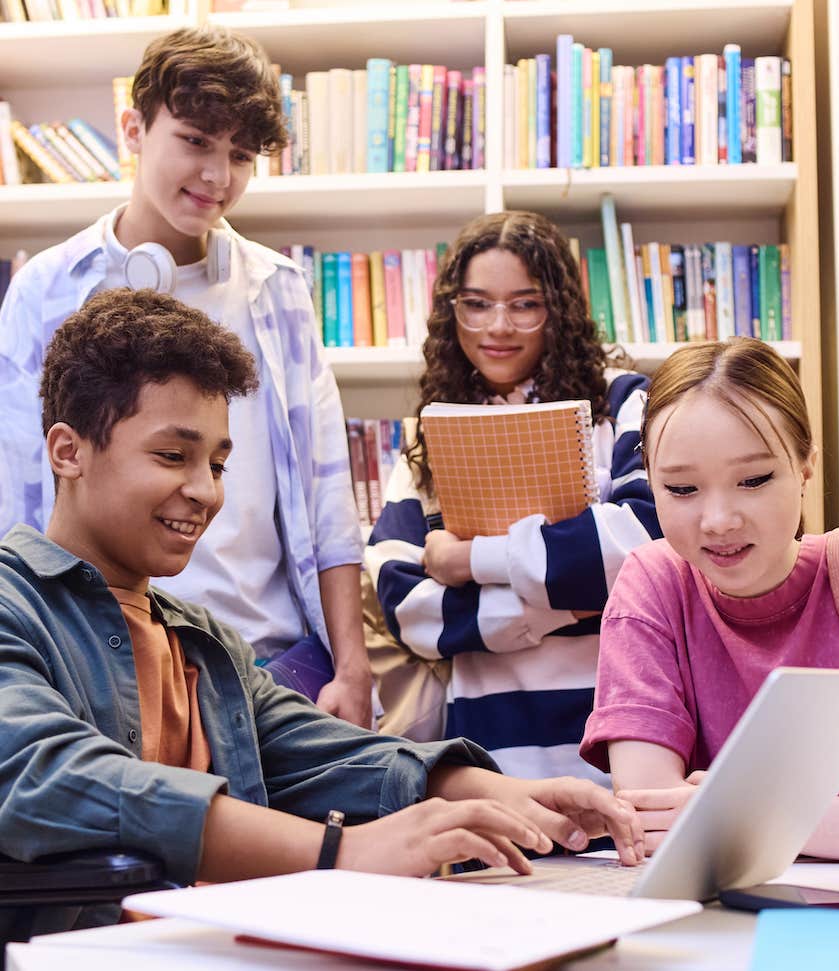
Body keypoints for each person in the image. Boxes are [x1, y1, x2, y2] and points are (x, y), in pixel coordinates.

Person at [0, 289, 643, 939]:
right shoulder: (10, 603)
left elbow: (324, 752)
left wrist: (503, 793)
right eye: (173, 455)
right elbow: (51, 774)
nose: (205, 491)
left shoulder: (201, 640)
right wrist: (343, 854)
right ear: (67, 451)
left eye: (218, 464)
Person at [0, 25, 372, 726]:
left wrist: (351, 665)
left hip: (268, 663)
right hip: (101, 668)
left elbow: (327, 493)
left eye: (240, 154)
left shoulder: (279, 289)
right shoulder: (46, 290)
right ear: (133, 128)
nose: (217, 176)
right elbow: (16, 497)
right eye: (196, 141)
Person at [365, 211, 660, 780]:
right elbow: (407, 607)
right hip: (488, 749)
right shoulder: (433, 432)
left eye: (525, 304)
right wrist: (573, 605)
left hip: (620, 726)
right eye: (476, 304)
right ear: (452, 312)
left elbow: (647, 543)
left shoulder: (625, 403)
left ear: (560, 309)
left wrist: (467, 561)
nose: (498, 326)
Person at [580, 336, 839, 860]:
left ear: (806, 467)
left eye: (753, 479)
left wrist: (741, 815)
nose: (719, 521)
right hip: (714, 918)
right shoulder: (653, 583)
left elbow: (694, 826)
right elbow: (651, 819)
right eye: (682, 490)